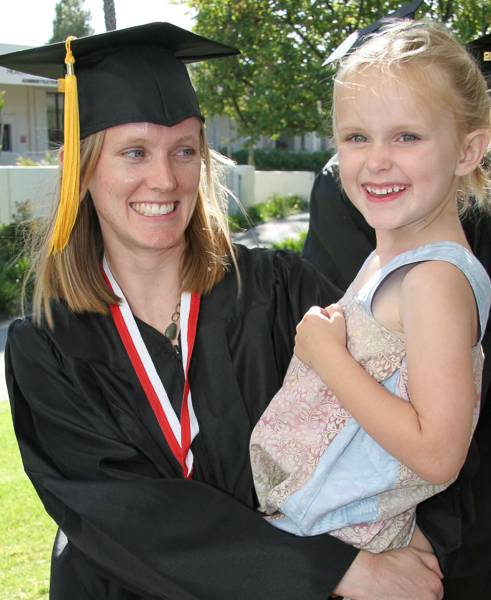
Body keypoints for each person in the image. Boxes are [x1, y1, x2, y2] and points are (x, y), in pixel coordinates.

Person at [0, 22, 467, 600]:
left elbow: (417, 408)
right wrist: (336, 570)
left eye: (184, 150)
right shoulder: (45, 347)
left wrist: (411, 538)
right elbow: (125, 518)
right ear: (84, 166)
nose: (165, 178)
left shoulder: (278, 290)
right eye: (134, 152)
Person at [251, 17, 491, 566]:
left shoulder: (434, 280)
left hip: (354, 538)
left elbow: (437, 453)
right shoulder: (393, 260)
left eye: (407, 135)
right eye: (356, 137)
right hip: (326, 530)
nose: (377, 159)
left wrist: (328, 357)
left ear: (467, 149)